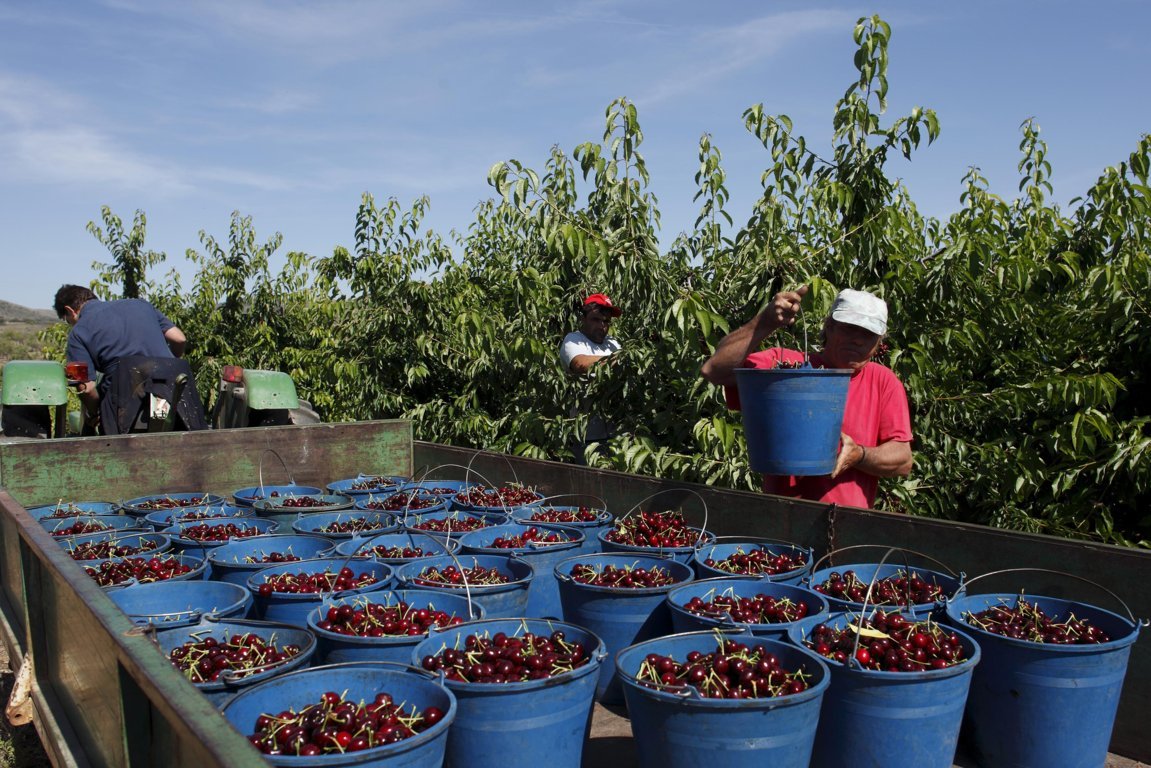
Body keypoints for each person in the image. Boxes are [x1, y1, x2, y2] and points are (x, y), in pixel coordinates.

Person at [701, 285, 912, 508]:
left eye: (868, 335)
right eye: (849, 329)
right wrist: (764, 323)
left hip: (846, 523)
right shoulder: (787, 367)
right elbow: (714, 370)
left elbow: (902, 459)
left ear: (879, 342)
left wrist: (859, 455)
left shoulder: (883, 382)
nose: (858, 340)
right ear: (829, 327)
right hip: (782, 516)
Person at [53, 284, 204, 434]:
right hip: (176, 390)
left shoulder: (77, 334)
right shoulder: (141, 305)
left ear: (69, 311)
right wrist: (167, 365)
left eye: (67, 320)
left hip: (126, 397)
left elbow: (85, 388)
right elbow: (179, 338)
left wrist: (94, 414)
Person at [559, 293, 622, 458]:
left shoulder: (613, 343)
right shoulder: (573, 340)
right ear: (584, 318)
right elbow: (581, 364)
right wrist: (619, 359)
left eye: (606, 321)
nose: (602, 326)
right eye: (596, 319)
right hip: (586, 435)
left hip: (617, 432)